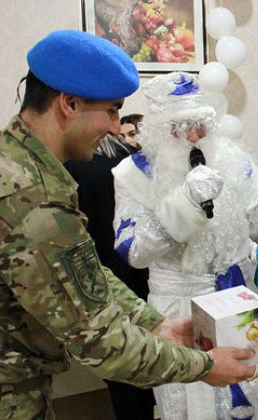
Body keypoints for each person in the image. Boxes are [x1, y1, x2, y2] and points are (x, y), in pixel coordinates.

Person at [0, 29, 257, 419]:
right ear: (69, 103)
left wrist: (153, 322)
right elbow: (99, 341)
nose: (115, 127)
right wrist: (206, 367)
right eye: (111, 110)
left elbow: (80, 271)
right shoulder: (29, 199)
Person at [111, 71, 258, 420]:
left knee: (252, 393)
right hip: (178, 312)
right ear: (161, 132)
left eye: (201, 124)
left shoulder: (233, 159)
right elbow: (133, 252)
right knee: (188, 405)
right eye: (183, 126)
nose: (194, 135)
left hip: (239, 297)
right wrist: (184, 204)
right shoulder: (133, 174)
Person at [65, 133, 154, 420]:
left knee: (122, 373)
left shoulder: (70, 165)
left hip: (99, 277)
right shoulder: (128, 157)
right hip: (143, 274)